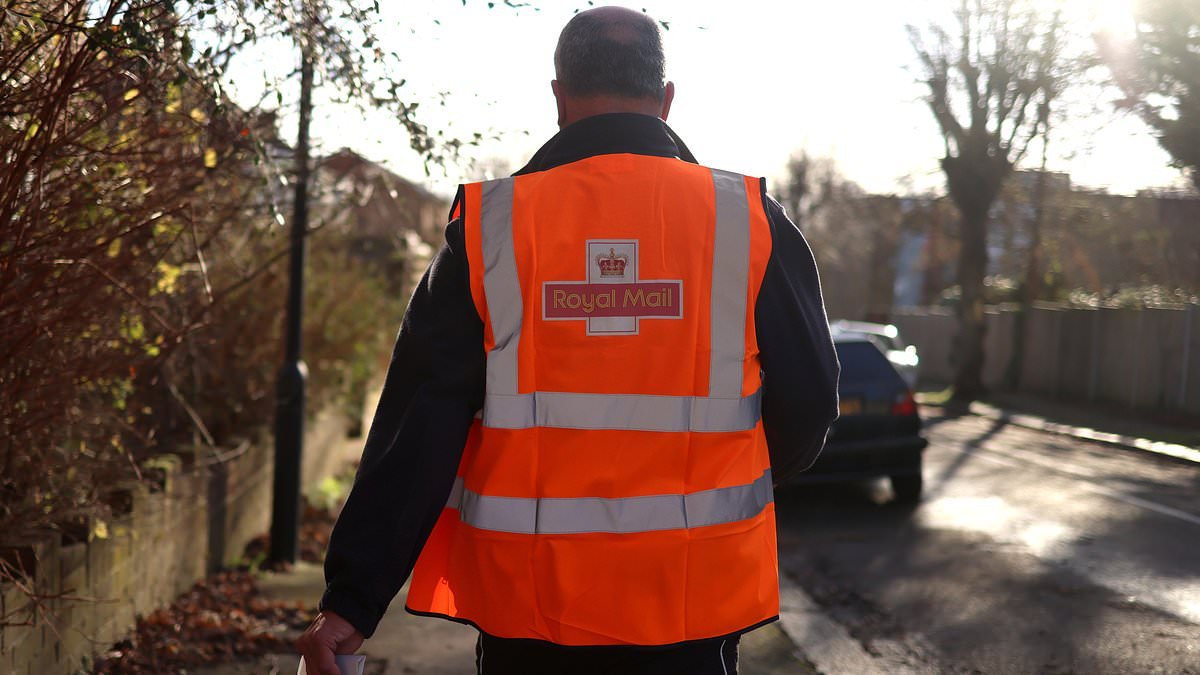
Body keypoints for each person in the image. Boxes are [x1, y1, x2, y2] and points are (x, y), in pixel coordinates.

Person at [297, 6, 839, 674]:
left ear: (558, 97)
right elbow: (810, 407)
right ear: (666, 100)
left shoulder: (491, 230)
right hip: (691, 601)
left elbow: (420, 425)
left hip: (531, 611)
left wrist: (351, 601)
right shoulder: (750, 223)